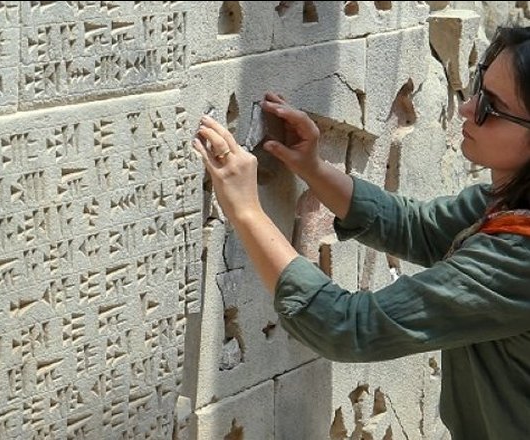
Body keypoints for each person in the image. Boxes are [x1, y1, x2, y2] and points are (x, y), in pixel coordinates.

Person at [192, 26, 530, 439]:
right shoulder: (508, 205)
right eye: (478, 87)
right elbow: (420, 228)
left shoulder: (517, 261)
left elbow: (350, 327)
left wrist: (246, 211)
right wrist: (314, 169)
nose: (466, 108)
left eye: (491, 107)